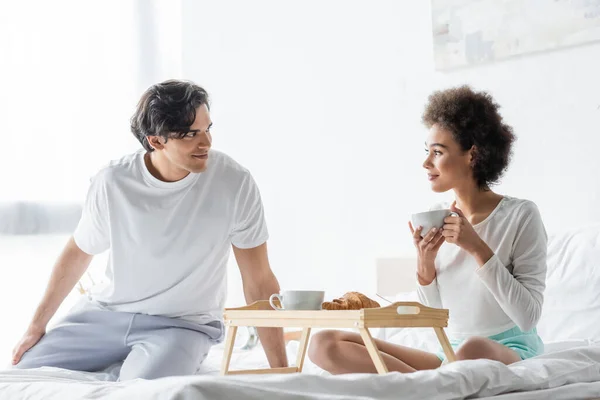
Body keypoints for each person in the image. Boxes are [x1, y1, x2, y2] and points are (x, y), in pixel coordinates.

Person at [11, 79, 287, 380]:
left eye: (207, 128)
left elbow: (259, 280)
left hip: (181, 325)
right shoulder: (113, 182)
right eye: (190, 134)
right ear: (156, 141)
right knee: (22, 375)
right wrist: (36, 326)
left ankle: (130, 365)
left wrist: (283, 371)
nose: (206, 142)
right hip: (104, 316)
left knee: (142, 391)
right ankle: (118, 363)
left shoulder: (234, 182)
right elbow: (78, 252)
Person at [308, 85, 546, 374]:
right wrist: (425, 266)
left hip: (508, 349)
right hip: (450, 353)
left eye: (437, 152)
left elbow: (528, 316)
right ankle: (430, 386)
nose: (426, 163)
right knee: (323, 343)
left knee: (474, 348)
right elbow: (433, 316)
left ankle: (428, 384)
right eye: (427, 152)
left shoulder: (520, 215)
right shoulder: (435, 216)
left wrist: (476, 247)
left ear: (472, 155)